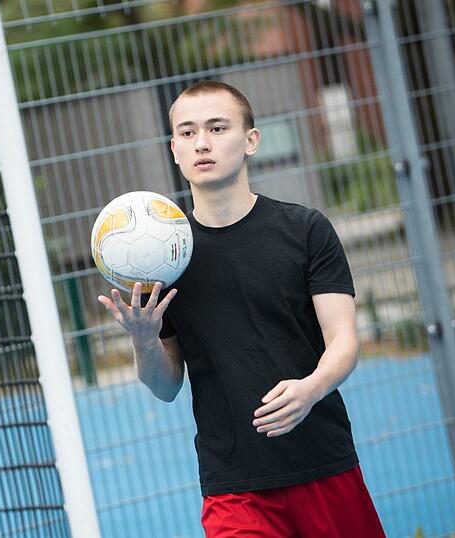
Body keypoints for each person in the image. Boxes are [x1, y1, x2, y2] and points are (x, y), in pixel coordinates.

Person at [97, 81, 386, 537]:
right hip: (234, 487)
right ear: (174, 149)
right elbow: (165, 384)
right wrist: (143, 339)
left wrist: (310, 389)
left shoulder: (305, 230)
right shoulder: (165, 260)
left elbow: (344, 342)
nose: (202, 143)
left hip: (322, 463)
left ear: (251, 140)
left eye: (217, 127)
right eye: (188, 133)